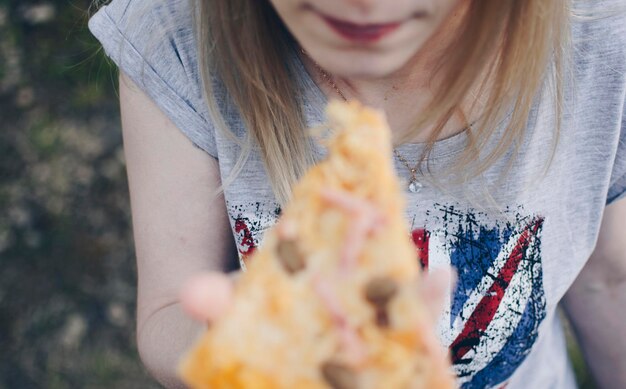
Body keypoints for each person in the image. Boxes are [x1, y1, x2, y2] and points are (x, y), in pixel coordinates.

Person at [89, 0, 626, 388]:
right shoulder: (176, 35)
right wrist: (258, 345)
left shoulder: (602, 38)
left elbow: (608, 279)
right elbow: (166, 313)